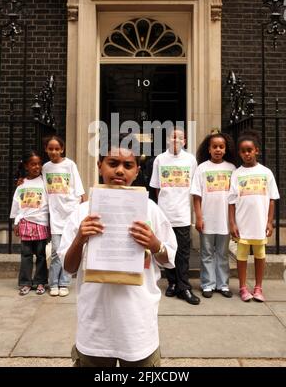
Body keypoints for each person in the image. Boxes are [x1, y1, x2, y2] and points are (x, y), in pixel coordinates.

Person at [57, 134, 177, 367]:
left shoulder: (151, 210)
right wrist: (80, 238)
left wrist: (154, 244)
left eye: (127, 165)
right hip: (95, 328)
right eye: (113, 163)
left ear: (137, 171)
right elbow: (69, 267)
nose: (120, 171)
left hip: (138, 328)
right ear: (99, 165)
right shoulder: (82, 213)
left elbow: (168, 258)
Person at [150, 126, 200, 305]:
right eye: (173, 137)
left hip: (183, 214)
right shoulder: (160, 159)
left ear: (185, 141)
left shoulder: (190, 160)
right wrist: (165, 205)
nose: (176, 140)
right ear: (167, 140)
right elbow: (157, 188)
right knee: (167, 250)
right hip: (165, 214)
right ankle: (171, 283)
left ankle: (183, 286)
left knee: (182, 253)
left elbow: (194, 188)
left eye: (180, 138)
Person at [228, 130, 279, 302]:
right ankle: (243, 287)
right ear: (240, 153)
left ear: (256, 150)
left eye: (249, 150)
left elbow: (272, 199)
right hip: (242, 224)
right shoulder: (236, 174)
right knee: (241, 256)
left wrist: (270, 222)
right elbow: (231, 202)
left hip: (259, 224)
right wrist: (232, 223)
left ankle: (258, 287)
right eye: (243, 151)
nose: (246, 154)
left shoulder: (266, 173)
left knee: (260, 254)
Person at [191, 132, 236, 298]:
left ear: (225, 149)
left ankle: (222, 284)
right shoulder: (202, 168)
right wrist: (199, 217)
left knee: (222, 254)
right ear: (208, 149)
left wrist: (233, 221)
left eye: (221, 147)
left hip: (225, 220)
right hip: (207, 219)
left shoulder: (232, 169)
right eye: (214, 146)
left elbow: (235, 198)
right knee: (207, 253)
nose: (218, 149)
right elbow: (196, 196)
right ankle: (207, 284)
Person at [42, 135, 85, 297]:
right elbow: (42, 187)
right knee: (55, 251)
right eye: (50, 148)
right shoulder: (45, 168)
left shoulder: (70, 165)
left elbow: (79, 188)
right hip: (55, 216)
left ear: (62, 149)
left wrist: (81, 210)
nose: (54, 151)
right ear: (46, 149)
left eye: (57, 148)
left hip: (71, 212)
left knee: (67, 250)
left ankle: (64, 282)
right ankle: (53, 283)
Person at [10, 151, 50, 296]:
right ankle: (25, 283)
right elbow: (16, 203)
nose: (37, 167)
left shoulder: (44, 181)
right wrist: (16, 222)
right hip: (25, 222)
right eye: (33, 164)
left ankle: (40, 282)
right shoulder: (22, 183)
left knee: (40, 255)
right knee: (26, 254)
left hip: (41, 223)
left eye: (39, 164)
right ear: (27, 166)